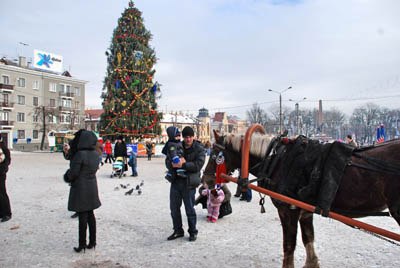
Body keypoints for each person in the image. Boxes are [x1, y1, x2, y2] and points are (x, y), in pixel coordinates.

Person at [64, 130, 101, 253]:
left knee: (83, 217)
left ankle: (82, 244)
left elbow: (73, 173)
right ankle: (92, 241)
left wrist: (67, 176)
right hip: (92, 186)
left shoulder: (80, 154)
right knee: (91, 215)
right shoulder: (96, 154)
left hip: (81, 187)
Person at [167, 126, 205, 242]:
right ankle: (178, 230)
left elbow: (198, 165)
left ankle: (193, 232)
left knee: (189, 209)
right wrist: (172, 164)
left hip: (189, 183)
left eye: (190, 137)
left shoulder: (199, 148)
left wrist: (184, 165)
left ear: (193, 137)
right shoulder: (178, 145)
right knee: (174, 208)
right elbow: (168, 160)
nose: (188, 139)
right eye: (186, 137)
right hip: (176, 182)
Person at [0, 140, 11, 222]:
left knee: (1, 193)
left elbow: (7, 159)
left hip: (0, 173)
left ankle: (6, 213)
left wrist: (3, 169)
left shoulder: (2, 147)